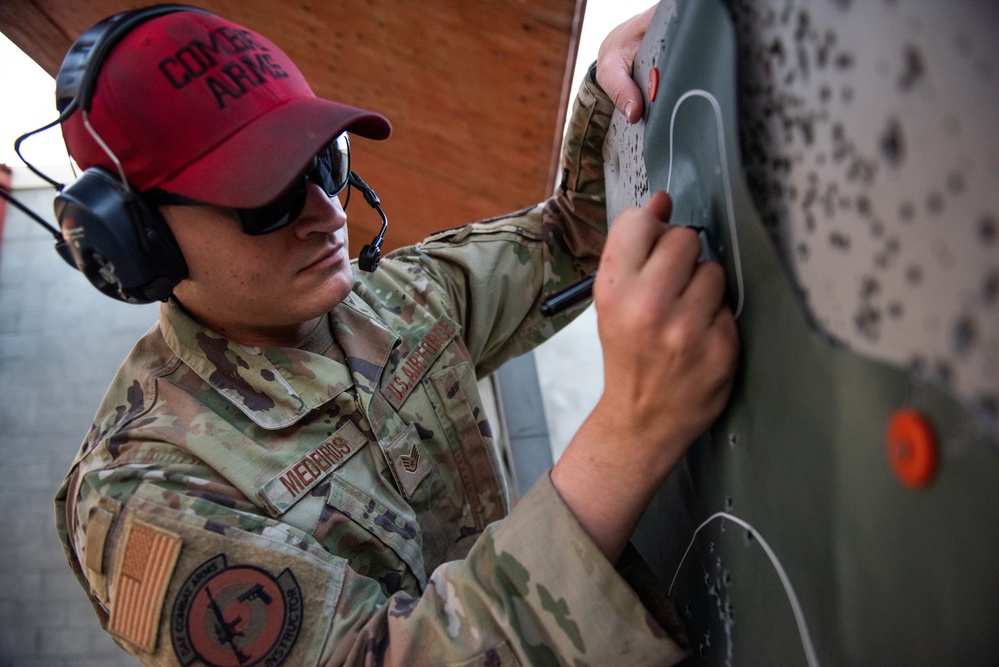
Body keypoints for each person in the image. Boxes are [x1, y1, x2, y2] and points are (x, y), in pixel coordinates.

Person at [52, 4, 738, 665]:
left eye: (326, 163)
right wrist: (627, 436)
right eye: (267, 198)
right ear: (142, 247)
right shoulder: (144, 493)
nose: (326, 214)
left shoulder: (395, 298)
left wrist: (610, 87)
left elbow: (568, 240)